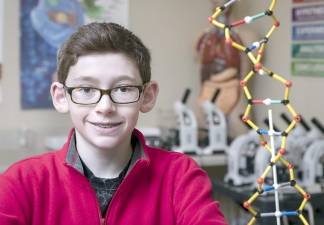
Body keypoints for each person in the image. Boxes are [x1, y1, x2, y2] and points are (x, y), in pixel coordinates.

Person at [0, 22, 227, 225]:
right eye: (86, 90)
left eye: (123, 89)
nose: (105, 107)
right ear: (61, 97)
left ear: (147, 96)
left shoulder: (180, 177)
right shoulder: (20, 183)